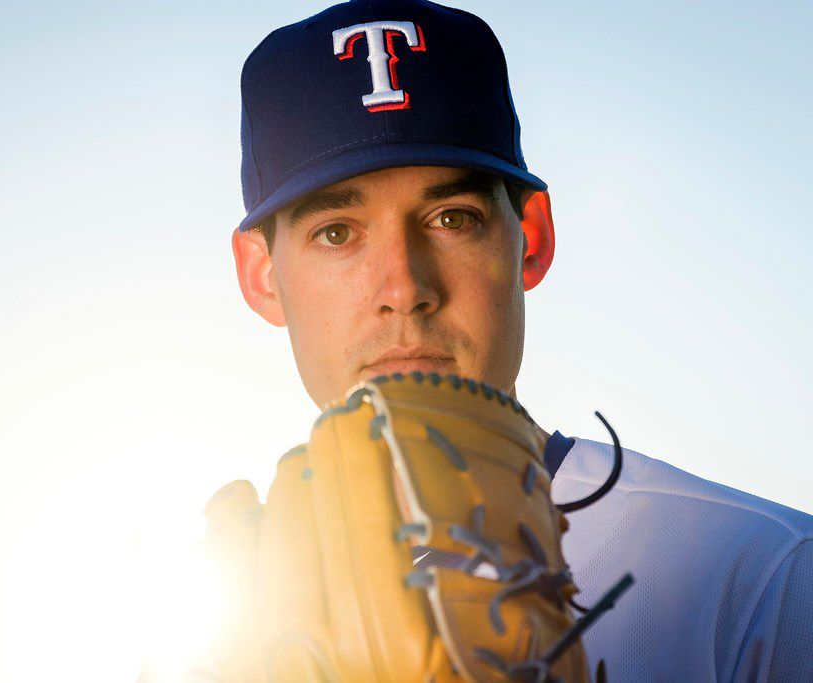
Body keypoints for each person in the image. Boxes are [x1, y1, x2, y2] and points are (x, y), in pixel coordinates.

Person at [228, 0, 812, 679]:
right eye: (336, 233)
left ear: (531, 238)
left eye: (451, 217)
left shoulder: (765, 574)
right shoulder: (231, 623)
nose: (403, 285)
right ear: (263, 276)